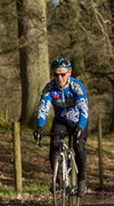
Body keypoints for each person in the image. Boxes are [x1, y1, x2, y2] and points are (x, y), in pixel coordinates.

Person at [33, 58, 89, 197]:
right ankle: (58, 179)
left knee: (79, 147)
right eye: (56, 75)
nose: (59, 78)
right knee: (54, 144)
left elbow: (84, 110)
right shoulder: (49, 88)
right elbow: (43, 108)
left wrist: (81, 127)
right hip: (61, 121)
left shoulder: (76, 86)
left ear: (69, 73)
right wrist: (40, 127)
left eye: (63, 74)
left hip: (78, 121)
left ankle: (81, 179)